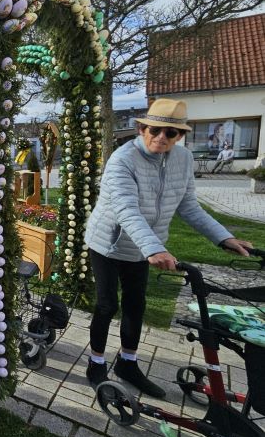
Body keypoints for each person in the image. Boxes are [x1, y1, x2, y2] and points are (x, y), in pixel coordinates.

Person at [84, 99, 253, 398]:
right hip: (108, 244)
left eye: (171, 133)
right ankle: (96, 363)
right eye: (155, 129)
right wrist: (153, 248)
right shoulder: (122, 160)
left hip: (145, 247)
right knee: (108, 304)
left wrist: (223, 237)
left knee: (136, 304)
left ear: (180, 136)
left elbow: (188, 205)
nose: (162, 137)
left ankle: (128, 363)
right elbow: (126, 209)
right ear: (141, 128)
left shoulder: (183, 159)